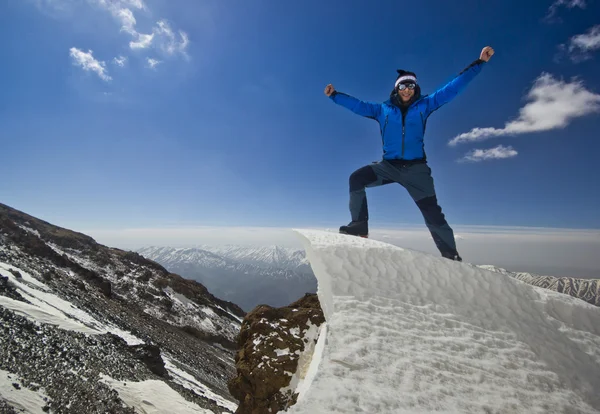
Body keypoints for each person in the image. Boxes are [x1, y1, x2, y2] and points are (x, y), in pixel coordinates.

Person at [324, 46, 495, 261]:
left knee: (432, 213)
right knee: (356, 179)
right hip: (389, 167)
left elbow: (453, 88)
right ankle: (359, 226)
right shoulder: (382, 110)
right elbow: (357, 106)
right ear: (396, 88)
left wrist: (479, 63)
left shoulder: (425, 105)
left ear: (416, 88)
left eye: (411, 86)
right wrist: (335, 96)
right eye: (403, 86)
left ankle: (451, 256)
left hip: (417, 170)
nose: (407, 90)